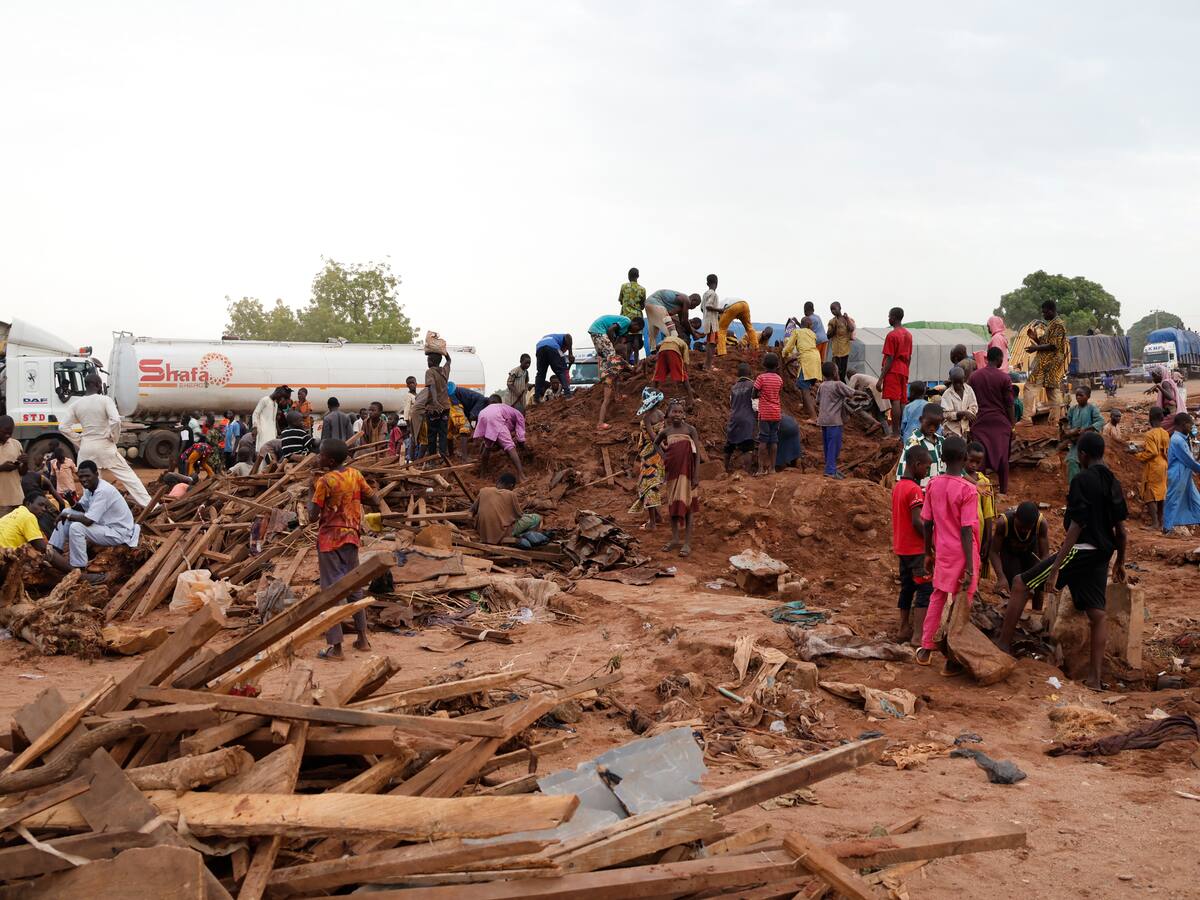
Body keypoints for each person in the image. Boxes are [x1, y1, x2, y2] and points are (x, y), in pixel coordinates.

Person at [998, 432, 1127, 691]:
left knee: (1020, 583)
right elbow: (1122, 530)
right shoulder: (1113, 481)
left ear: (1083, 455)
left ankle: (1002, 646)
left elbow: (1077, 524)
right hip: (1102, 553)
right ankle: (1094, 679)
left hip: (1080, 548)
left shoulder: (1081, 479)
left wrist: (1056, 568)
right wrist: (1120, 562)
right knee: (1097, 613)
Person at [310, 439, 380, 660]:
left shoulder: (325, 481)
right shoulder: (355, 475)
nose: (318, 457)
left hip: (330, 540)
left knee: (331, 593)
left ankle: (336, 648)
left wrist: (308, 495)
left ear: (329, 460)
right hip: (352, 536)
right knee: (354, 587)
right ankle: (362, 639)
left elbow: (312, 515)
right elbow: (374, 500)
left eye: (321, 454)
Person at [915, 436, 980, 667]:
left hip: (942, 550)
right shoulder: (969, 490)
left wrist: (927, 552)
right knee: (963, 601)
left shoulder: (933, 484)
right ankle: (952, 658)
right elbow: (966, 529)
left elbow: (927, 522)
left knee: (938, 596)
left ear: (941, 458)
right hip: (964, 553)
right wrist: (971, 567)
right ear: (964, 459)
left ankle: (926, 647)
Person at [47, 460, 140, 582]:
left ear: (96, 474)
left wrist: (68, 516)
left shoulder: (103, 491)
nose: (84, 479)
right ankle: (53, 552)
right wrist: (71, 502)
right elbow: (82, 508)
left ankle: (78, 567)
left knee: (76, 527)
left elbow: (88, 520)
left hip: (118, 533)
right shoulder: (90, 488)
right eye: (81, 477)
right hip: (104, 526)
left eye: (87, 476)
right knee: (65, 513)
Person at [892, 444, 932, 644]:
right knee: (924, 589)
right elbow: (917, 521)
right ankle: (918, 635)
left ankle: (903, 628)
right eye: (926, 468)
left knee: (907, 588)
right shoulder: (915, 490)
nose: (926, 472)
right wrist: (929, 542)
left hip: (902, 547)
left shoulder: (899, 486)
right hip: (916, 549)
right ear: (916, 464)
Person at [654, 400, 703, 556]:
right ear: (668, 414)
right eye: (674, 411)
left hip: (688, 474)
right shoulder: (666, 432)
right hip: (672, 474)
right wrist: (664, 456)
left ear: (684, 415)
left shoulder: (690, 430)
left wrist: (696, 475)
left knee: (687, 506)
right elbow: (656, 444)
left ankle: (687, 543)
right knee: (673, 505)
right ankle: (675, 539)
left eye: (680, 412)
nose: (677, 414)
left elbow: (698, 454)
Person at [968, 347, 1016, 494]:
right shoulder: (1004, 378)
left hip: (980, 422)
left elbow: (970, 400)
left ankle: (978, 489)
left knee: (980, 457)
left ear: (987, 358)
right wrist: (1012, 425)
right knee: (1002, 457)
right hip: (1000, 423)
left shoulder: (974, 376)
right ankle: (1003, 491)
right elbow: (1009, 404)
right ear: (1000, 359)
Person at [988, 502, 1049, 607]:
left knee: (1038, 586)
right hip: (1010, 553)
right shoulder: (1004, 523)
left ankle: (1036, 613)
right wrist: (1001, 576)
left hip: (1031, 552)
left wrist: (1039, 577)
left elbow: (1045, 555)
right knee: (1014, 584)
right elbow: (993, 551)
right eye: (1021, 527)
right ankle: (1013, 613)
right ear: (1015, 516)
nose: (1024, 530)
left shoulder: (1041, 523)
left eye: (1028, 528)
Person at [589, 314, 641, 429]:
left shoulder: (613, 360)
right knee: (606, 399)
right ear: (635, 324)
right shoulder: (627, 321)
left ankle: (618, 396)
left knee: (611, 369)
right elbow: (610, 330)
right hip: (599, 331)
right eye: (637, 329)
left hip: (606, 378)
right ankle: (600, 423)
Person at [816, 360, 860, 478]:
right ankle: (830, 471)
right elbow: (852, 392)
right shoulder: (838, 384)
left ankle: (831, 467)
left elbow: (817, 401)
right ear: (835, 372)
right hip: (834, 421)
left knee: (827, 445)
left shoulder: (822, 385)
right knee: (834, 446)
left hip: (823, 420)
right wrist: (864, 394)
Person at [630, 389, 666, 530]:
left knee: (648, 486)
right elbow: (663, 435)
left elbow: (653, 438)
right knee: (653, 485)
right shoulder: (661, 414)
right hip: (659, 453)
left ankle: (652, 523)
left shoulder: (647, 417)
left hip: (650, 453)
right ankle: (658, 517)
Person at [472, 472, 541, 545]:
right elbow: (519, 515)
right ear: (511, 486)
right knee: (536, 518)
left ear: (498, 481)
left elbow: (472, 510)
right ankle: (520, 536)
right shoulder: (510, 494)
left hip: (483, 532)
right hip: (501, 533)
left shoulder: (484, 491)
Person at [1130, 407, 1169, 529]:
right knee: (1161, 492)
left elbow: (1152, 452)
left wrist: (1137, 454)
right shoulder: (1165, 432)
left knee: (1149, 494)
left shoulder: (1150, 434)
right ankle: (1161, 522)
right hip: (1164, 463)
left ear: (1150, 418)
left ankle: (1155, 523)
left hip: (1154, 465)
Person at [1026, 300, 1069, 408]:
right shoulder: (1051, 325)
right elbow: (1047, 344)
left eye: (1045, 312)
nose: (1043, 315)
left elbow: (1054, 346)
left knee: (1029, 387)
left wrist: (1035, 348)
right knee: (1052, 391)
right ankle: (1055, 419)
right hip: (1049, 362)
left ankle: (1026, 417)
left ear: (1051, 311)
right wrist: (1035, 338)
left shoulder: (1058, 325)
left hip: (1048, 362)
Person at [876, 307, 912, 436]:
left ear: (894, 318)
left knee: (895, 401)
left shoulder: (892, 335)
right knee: (902, 401)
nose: (888, 318)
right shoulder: (908, 334)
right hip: (904, 369)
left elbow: (889, 358)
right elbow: (909, 356)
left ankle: (895, 432)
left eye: (889, 316)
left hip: (893, 370)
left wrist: (880, 379)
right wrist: (906, 369)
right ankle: (902, 431)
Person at [473, 399, 527, 480]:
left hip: (483, 414)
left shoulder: (507, 409)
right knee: (510, 446)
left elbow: (499, 432)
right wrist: (522, 447)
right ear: (523, 413)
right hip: (495, 417)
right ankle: (521, 475)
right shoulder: (519, 414)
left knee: (488, 446)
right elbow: (520, 436)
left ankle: (482, 475)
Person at [965, 441, 996, 579]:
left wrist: (988, 539)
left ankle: (973, 594)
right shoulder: (957, 477)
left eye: (978, 462)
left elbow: (988, 512)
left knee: (975, 563)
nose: (974, 465)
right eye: (971, 461)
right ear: (964, 457)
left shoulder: (983, 481)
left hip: (979, 530)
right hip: (961, 529)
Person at [1164, 412, 1200, 534]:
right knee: (1173, 501)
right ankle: (1167, 527)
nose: (1191, 428)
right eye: (1190, 425)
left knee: (1196, 499)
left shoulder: (1181, 439)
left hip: (1185, 474)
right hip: (1178, 475)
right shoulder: (1177, 440)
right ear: (1184, 425)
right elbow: (1188, 460)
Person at [895, 403, 946, 487]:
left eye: (936, 425)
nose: (932, 428)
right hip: (920, 492)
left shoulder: (942, 441)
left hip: (937, 492)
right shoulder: (914, 442)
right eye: (929, 424)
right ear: (921, 419)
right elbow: (904, 469)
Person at [1062, 385, 1104, 484]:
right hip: (1075, 443)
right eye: (1076, 395)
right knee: (1072, 462)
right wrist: (1068, 430)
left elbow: (1100, 421)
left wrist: (1086, 429)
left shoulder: (1092, 408)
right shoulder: (1072, 409)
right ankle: (1074, 487)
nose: (1078, 397)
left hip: (1088, 442)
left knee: (1089, 465)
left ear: (1088, 396)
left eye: (1081, 395)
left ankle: (1087, 487)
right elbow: (1068, 423)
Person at [782, 317, 820, 419]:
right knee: (805, 385)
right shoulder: (812, 334)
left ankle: (813, 417)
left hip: (807, 360)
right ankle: (805, 408)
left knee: (804, 388)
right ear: (809, 326)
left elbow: (789, 346)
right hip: (816, 359)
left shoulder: (797, 332)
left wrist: (783, 354)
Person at [753, 353, 784, 476]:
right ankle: (772, 469)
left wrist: (759, 395)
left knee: (763, 441)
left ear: (763, 365)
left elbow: (754, 394)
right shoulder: (779, 379)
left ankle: (760, 469)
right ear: (777, 366)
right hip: (776, 413)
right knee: (774, 440)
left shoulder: (761, 378)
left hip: (765, 414)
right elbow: (777, 392)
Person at [724, 363, 757, 473]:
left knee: (729, 445)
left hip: (734, 418)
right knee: (748, 447)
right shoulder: (753, 386)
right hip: (748, 418)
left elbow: (731, 403)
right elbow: (755, 405)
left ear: (738, 374)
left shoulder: (733, 388)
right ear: (750, 373)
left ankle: (725, 469)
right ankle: (747, 472)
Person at [653, 334, 696, 408]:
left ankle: (652, 397)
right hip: (673, 350)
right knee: (682, 374)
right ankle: (691, 399)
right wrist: (685, 373)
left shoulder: (669, 338)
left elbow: (658, 346)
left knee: (658, 375)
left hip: (662, 350)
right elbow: (685, 362)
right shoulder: (684, 344)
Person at [425, 350, 453, 458]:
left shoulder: (430, 371)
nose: (427, 362)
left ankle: (432, 458)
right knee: (443, 433)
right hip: (445, 407)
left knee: (432, 434)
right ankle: (443, 456)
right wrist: (444, 351)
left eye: (428, 360)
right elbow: (449, 360)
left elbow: (432, 386)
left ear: (431, 361)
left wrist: (435, 401)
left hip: (434, 408)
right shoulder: (444, 371)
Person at [941, 366, 978, 439]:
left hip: (966, 429)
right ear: (951, 380)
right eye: (955, 383)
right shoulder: (947, 394)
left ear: (964, 379)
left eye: (960, 382)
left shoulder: (969, 389)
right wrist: (962, 414)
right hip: (951, 431)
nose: (958, 385)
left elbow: (974, 406)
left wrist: (969, 413)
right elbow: (946, 414)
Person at [533, 334, 573, 402]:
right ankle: (568, 394)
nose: (564, 352)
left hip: (539, 348)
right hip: (552, 347)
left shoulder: (549, 338)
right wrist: (570, 354)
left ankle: (537, 397)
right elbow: (568, 336)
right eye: (565, 350)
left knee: (540, 374)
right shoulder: (563, 337)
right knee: (561, 371)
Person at [0, 416, 25, 518]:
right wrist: (2, 468)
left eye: (10, 433)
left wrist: (25, 463)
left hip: (18, 500)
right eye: (5, 432)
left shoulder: (16, 444)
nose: (8, 435)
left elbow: (22, 472)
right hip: (1, 503)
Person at [250, 386, 289, 451]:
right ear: (278, 393)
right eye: (281, 397)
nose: (281, 400)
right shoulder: (264, 400)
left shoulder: (275, 404)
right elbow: (256, 414)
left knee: (270, 452)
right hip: (263, 432)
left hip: (271, 434)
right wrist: (255, 427)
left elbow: (273, 421)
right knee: (262, 451)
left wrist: (275, 433)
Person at [827, 301, 854, 382]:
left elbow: (851, 328)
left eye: (834, 309)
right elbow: (828, 335)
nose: (833, 311)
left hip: (845, 350)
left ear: (840, 308)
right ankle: (841, 387)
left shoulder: (846, 319)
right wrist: (834, 328)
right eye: (831, 310)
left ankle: (842, 388)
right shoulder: (832, 321)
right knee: (837, 372)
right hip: (836, 351)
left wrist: (847, 319)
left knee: (842, 372)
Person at [701, 274, 721, 370]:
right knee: (711, 344)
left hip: (707, 321)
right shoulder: (713, 294)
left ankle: (707, 365)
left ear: (707, 283)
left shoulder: (705, 294)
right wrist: (719, 310)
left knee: (710, 343)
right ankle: (708, 366)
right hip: (712, 323)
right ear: (716, 283)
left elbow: (702, 308)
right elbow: (708, 306)